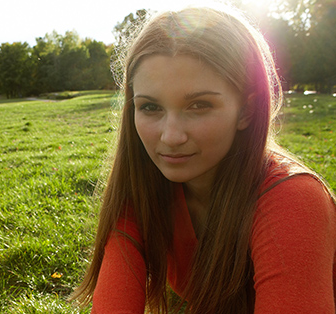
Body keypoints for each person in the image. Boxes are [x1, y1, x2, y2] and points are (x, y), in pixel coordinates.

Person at [71, 4, 336, 314]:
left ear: (247, 110)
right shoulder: (142, 191)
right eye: (150, 107)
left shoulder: (292, 199)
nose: (171, 136)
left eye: (199, 105)